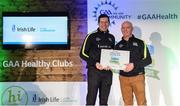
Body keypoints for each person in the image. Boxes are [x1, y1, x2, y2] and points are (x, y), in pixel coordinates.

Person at [79, 14, 115, 105]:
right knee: (91, 100)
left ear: (109, 23)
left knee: (104, 102)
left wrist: (112, 64)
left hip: (107, 73)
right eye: (102, 22)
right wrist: (95, 63)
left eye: (106, 22)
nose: (104, 24)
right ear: (98, 23)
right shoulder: (91, 36)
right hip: (94, 72)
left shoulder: (112, 37)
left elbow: (113, 55)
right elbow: (82, 54)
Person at [115, 21, 152, 106]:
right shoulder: (118, 45)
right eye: (123, 28)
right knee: (127, 103)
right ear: (121, 29)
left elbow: (148, 60)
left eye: (127, 27)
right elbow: (114, 61)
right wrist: (108, 64)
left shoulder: (140, 43)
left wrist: (134, 65)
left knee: (141, 102)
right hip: (123, 78)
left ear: (132, 29)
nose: (125, 30)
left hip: (138, 77)